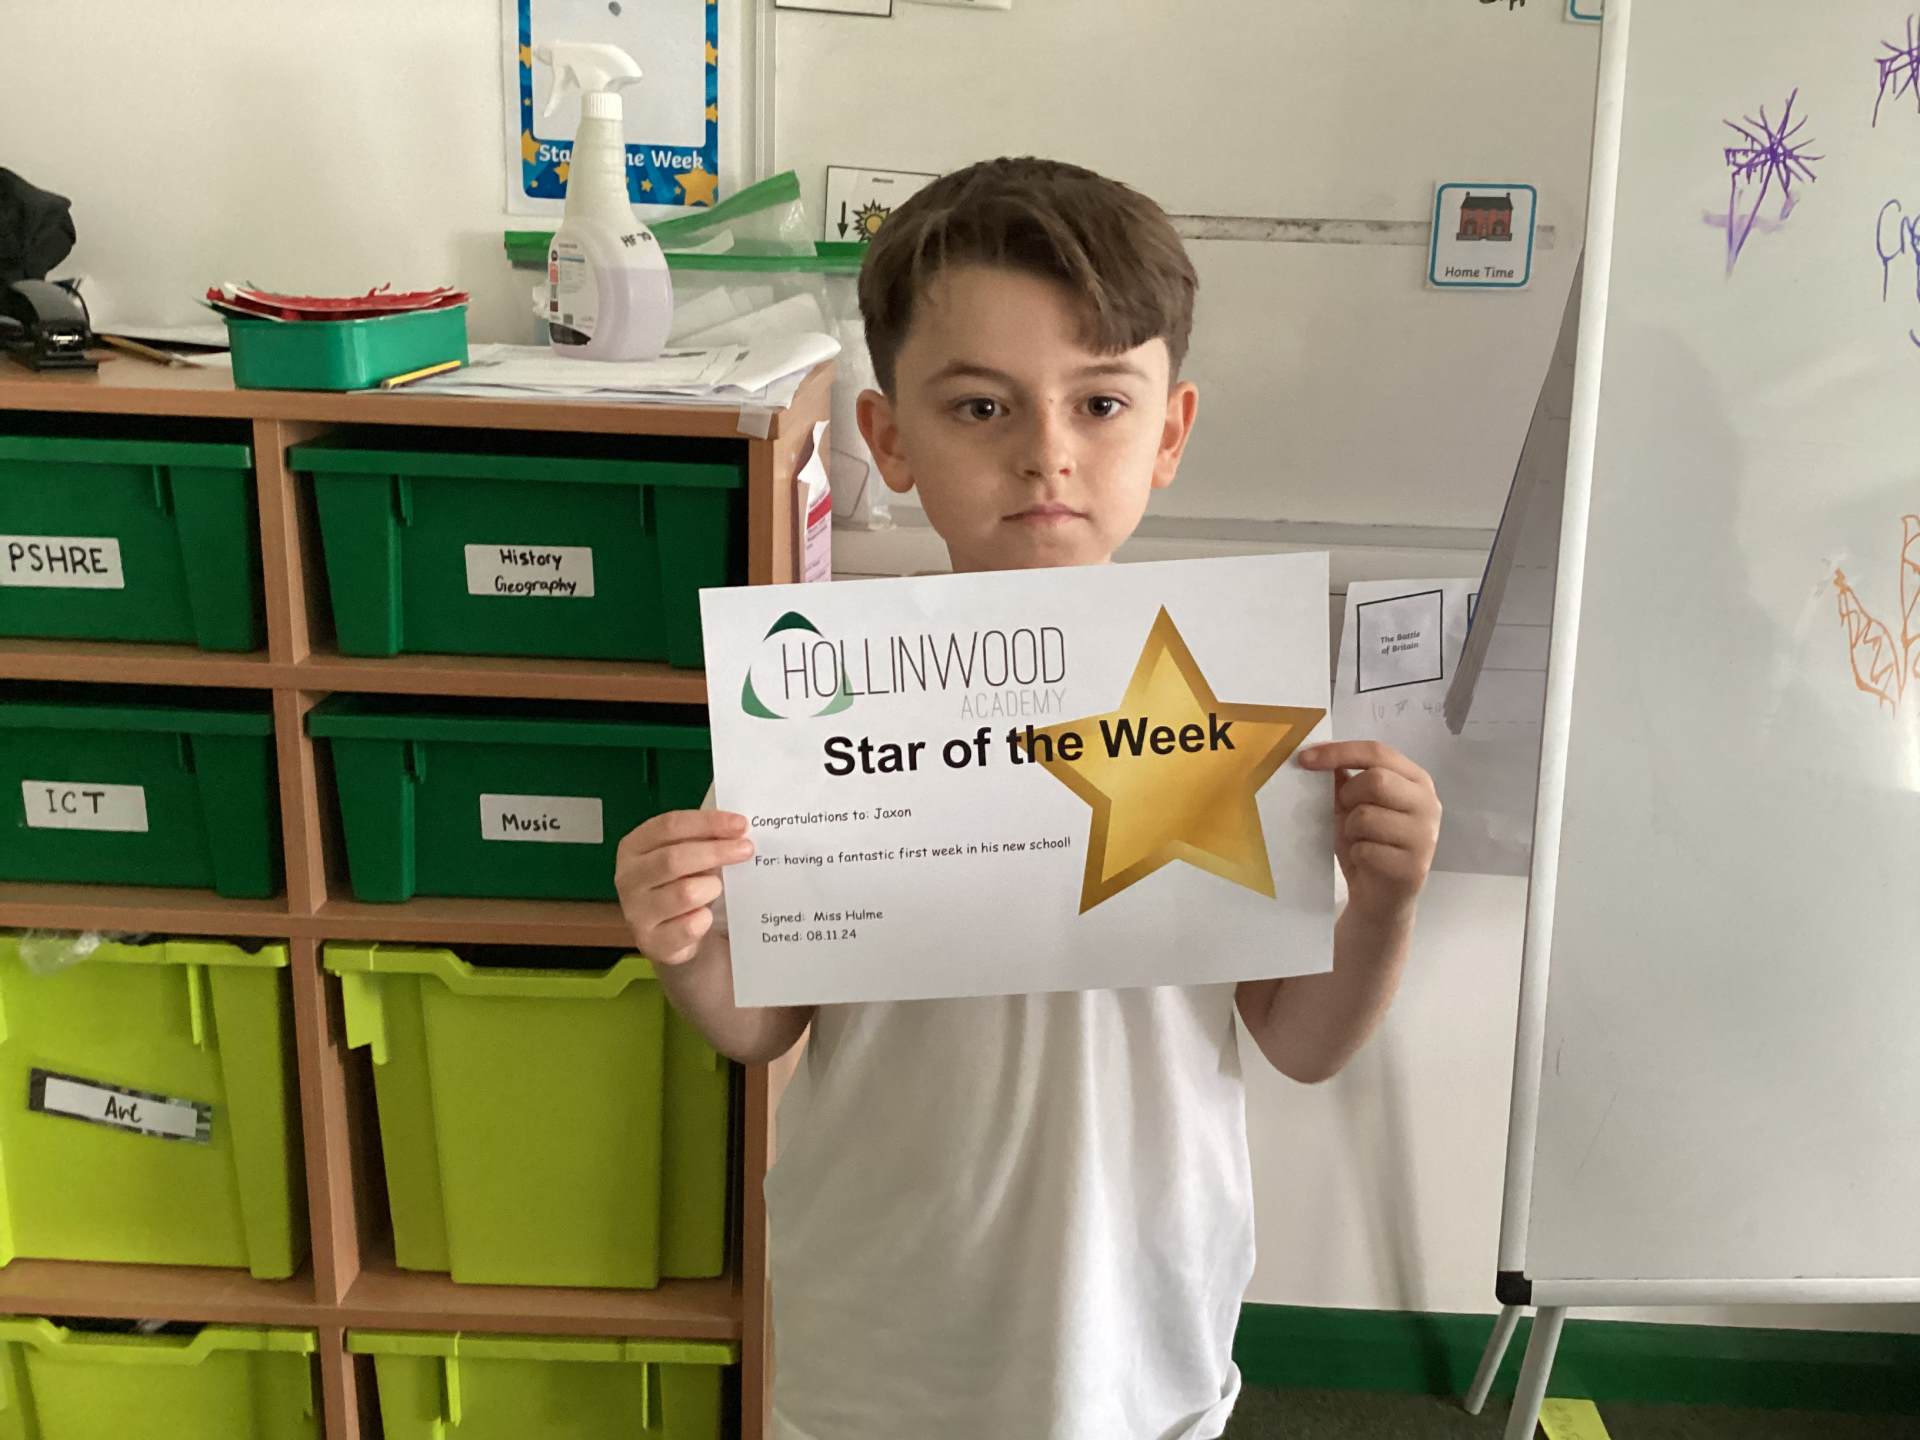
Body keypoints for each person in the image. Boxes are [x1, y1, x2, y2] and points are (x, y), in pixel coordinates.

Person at [616, 157, 1442, 1440]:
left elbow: (1300, 1040)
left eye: (1100, 403)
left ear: (1169, 432)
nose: (1047, 454)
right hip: (885, 1324)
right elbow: (760, 1026)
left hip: (1141, 1320)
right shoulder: (822, 703)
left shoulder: (1237, 698)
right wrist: (686, 948)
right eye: (982, 408)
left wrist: (1383, 905)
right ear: (891, 439)